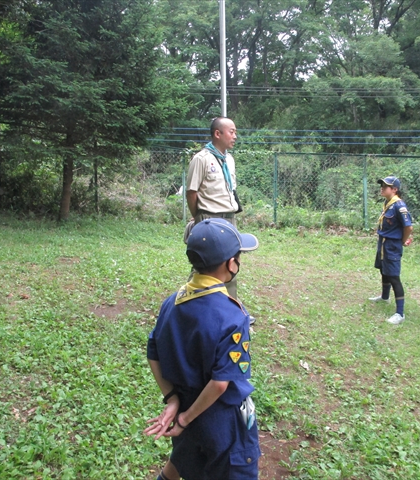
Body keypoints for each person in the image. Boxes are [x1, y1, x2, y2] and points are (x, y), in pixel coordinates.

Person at [144, 218, 261, 480]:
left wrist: (173, 399)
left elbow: (153, 353)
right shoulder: (233, 316)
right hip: (222, 420)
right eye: (238, 256)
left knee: (185, 460)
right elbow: (220, 383)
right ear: (231, 263)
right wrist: (185, 418)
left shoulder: (171, 302)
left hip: (186, 404)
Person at [186, 117, 241, 299]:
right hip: (209, 218)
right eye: (231, 132)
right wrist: (198, 217)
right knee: (204, 263)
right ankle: (193, 302)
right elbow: (192, 192)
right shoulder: (201, 159)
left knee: (231, 263)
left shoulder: (229, 160)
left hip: (229, 218)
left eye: (235, 132)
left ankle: (230, 306)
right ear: (217, 134)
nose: (235, 136)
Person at [368, 176, 413, 324]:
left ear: (395, 189)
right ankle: (385, 297)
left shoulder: (399, 206)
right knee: (383, 270)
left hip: (392, 245)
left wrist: (401, 240)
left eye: (385, 186)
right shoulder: (388, 203)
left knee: (394, 276)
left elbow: (408, 227)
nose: (382, 188)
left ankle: (400, 313)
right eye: (382, 185)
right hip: (383, 242)